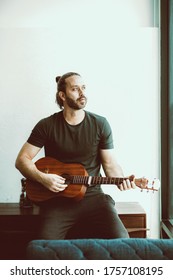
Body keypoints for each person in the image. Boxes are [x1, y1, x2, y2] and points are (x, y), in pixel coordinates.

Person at [15, 71, 136, 240]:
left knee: (122, 241)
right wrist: (43, 178)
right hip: (58, 202)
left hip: (94, 197)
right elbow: (22, 160)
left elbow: (110, 165)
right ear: (62, 95)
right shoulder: (46, 125)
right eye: (75, 89)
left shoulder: (100, 124)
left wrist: (121, 179)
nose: (82, 93)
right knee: (44, 248)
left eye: (84, 88)